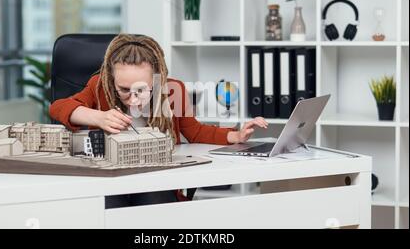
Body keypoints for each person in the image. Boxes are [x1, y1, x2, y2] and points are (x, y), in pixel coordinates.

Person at [49, 34, 268, 208]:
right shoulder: (100, 86)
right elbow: (58, 108)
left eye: (142, 89)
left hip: (156, 179)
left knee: (153, 203)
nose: (133, 98)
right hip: (111, 180)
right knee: (107, 207)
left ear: (157, 77)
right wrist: (97, 116)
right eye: (124, 89)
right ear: (111, 79)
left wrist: (236, 135)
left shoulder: (173, 90)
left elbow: (196, 132)